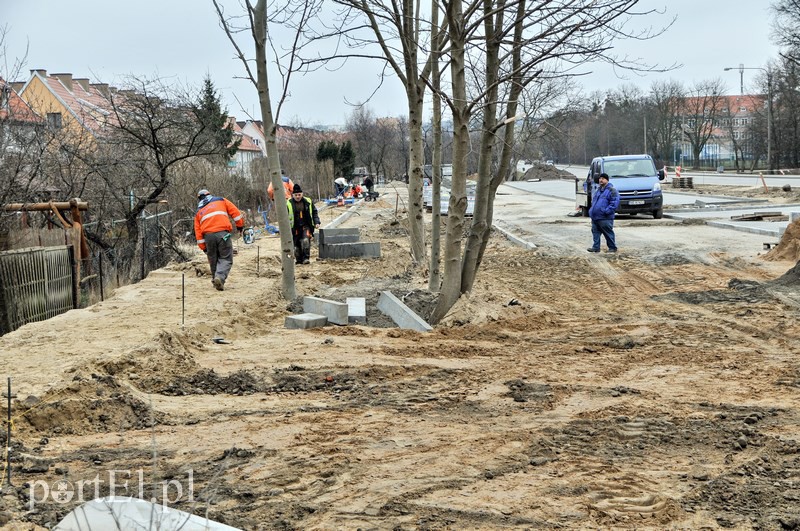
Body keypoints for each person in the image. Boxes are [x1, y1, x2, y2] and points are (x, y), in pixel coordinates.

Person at [194, 189, 245, 291]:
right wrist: (240, 226)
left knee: (213, 259)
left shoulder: (198, 212)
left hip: (208, 237)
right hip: (223, 234)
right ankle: (220, 278)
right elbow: (236, 213)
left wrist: (204, 248)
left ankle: (215, 281)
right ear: (209, 194)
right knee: (226, 258)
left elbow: (198, 232)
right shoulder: (221, 200)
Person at [287, 183, 320, 264]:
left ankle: (306, 258)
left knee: (305, 240)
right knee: (296, 246)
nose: (298, 196)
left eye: (299, 194)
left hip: (306, 225)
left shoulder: (308, 201)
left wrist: (316, 222)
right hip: (294, 227)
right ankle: (299, 260)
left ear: (302, 194)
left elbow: (314, 212)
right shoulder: (288, 203)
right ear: (293, 195)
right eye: (296, 195)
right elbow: (284, 217)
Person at [587, 173, 620, 253]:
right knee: (595, 233)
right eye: (600, 178)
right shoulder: (599, 190)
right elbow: (594, 201)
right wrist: (591, 211)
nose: (601, 180)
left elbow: (614, 203)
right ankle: (596, 247)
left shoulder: (612, 190)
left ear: (607, 180)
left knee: (608, 233)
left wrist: (606, 211)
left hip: (605, 218)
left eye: (603, 178)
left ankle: (612, 248)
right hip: (595, 217)